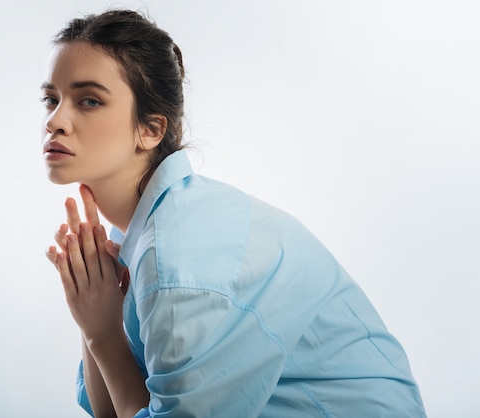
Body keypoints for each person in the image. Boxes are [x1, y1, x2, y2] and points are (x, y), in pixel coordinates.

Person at [42, 9, 426, 418]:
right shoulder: (144, 234)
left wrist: (105, 335)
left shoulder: (179, 253)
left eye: (88, 101)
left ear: (151, 129)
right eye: (51, 99)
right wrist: (96, 324)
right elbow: (118, 410)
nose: (54, 121)